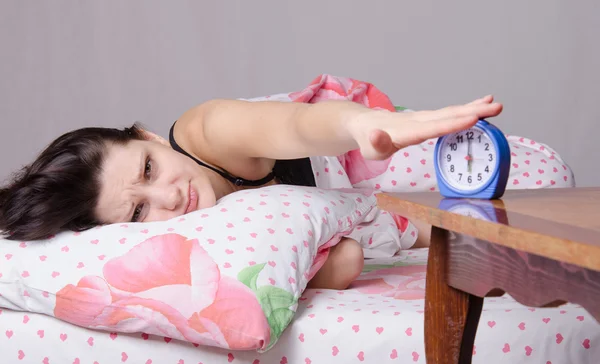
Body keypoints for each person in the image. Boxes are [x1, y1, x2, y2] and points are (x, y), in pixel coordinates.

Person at [0, 96, 503, 289]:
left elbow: (301, 124)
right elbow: (345, 260)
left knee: (515, 181)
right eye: (138, 209)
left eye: (150, 167)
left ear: (150, 138)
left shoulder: (208, 133)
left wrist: (360, 123)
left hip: (371, 150)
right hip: (379, 216)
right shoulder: (186, 246)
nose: (169, 198)